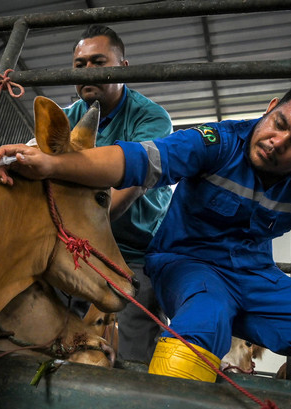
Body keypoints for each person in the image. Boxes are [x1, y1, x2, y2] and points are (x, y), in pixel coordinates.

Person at [0, 78, 291, 386]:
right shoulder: (216, 141)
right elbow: (137, 161)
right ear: (271, 108)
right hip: (187, 263)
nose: (277, 142)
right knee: (206, 317)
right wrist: (52, 165)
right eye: (279, 124)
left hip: (255, 276)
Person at [59, 24, 174, 364]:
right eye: (80, 65)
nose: (88, 71)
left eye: (98, 62)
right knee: (53, 321)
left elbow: (129, 185)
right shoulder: (66, 118)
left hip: (136, 249)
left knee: (136, 345)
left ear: (123, 67)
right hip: (82, 242)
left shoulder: (151, 118)